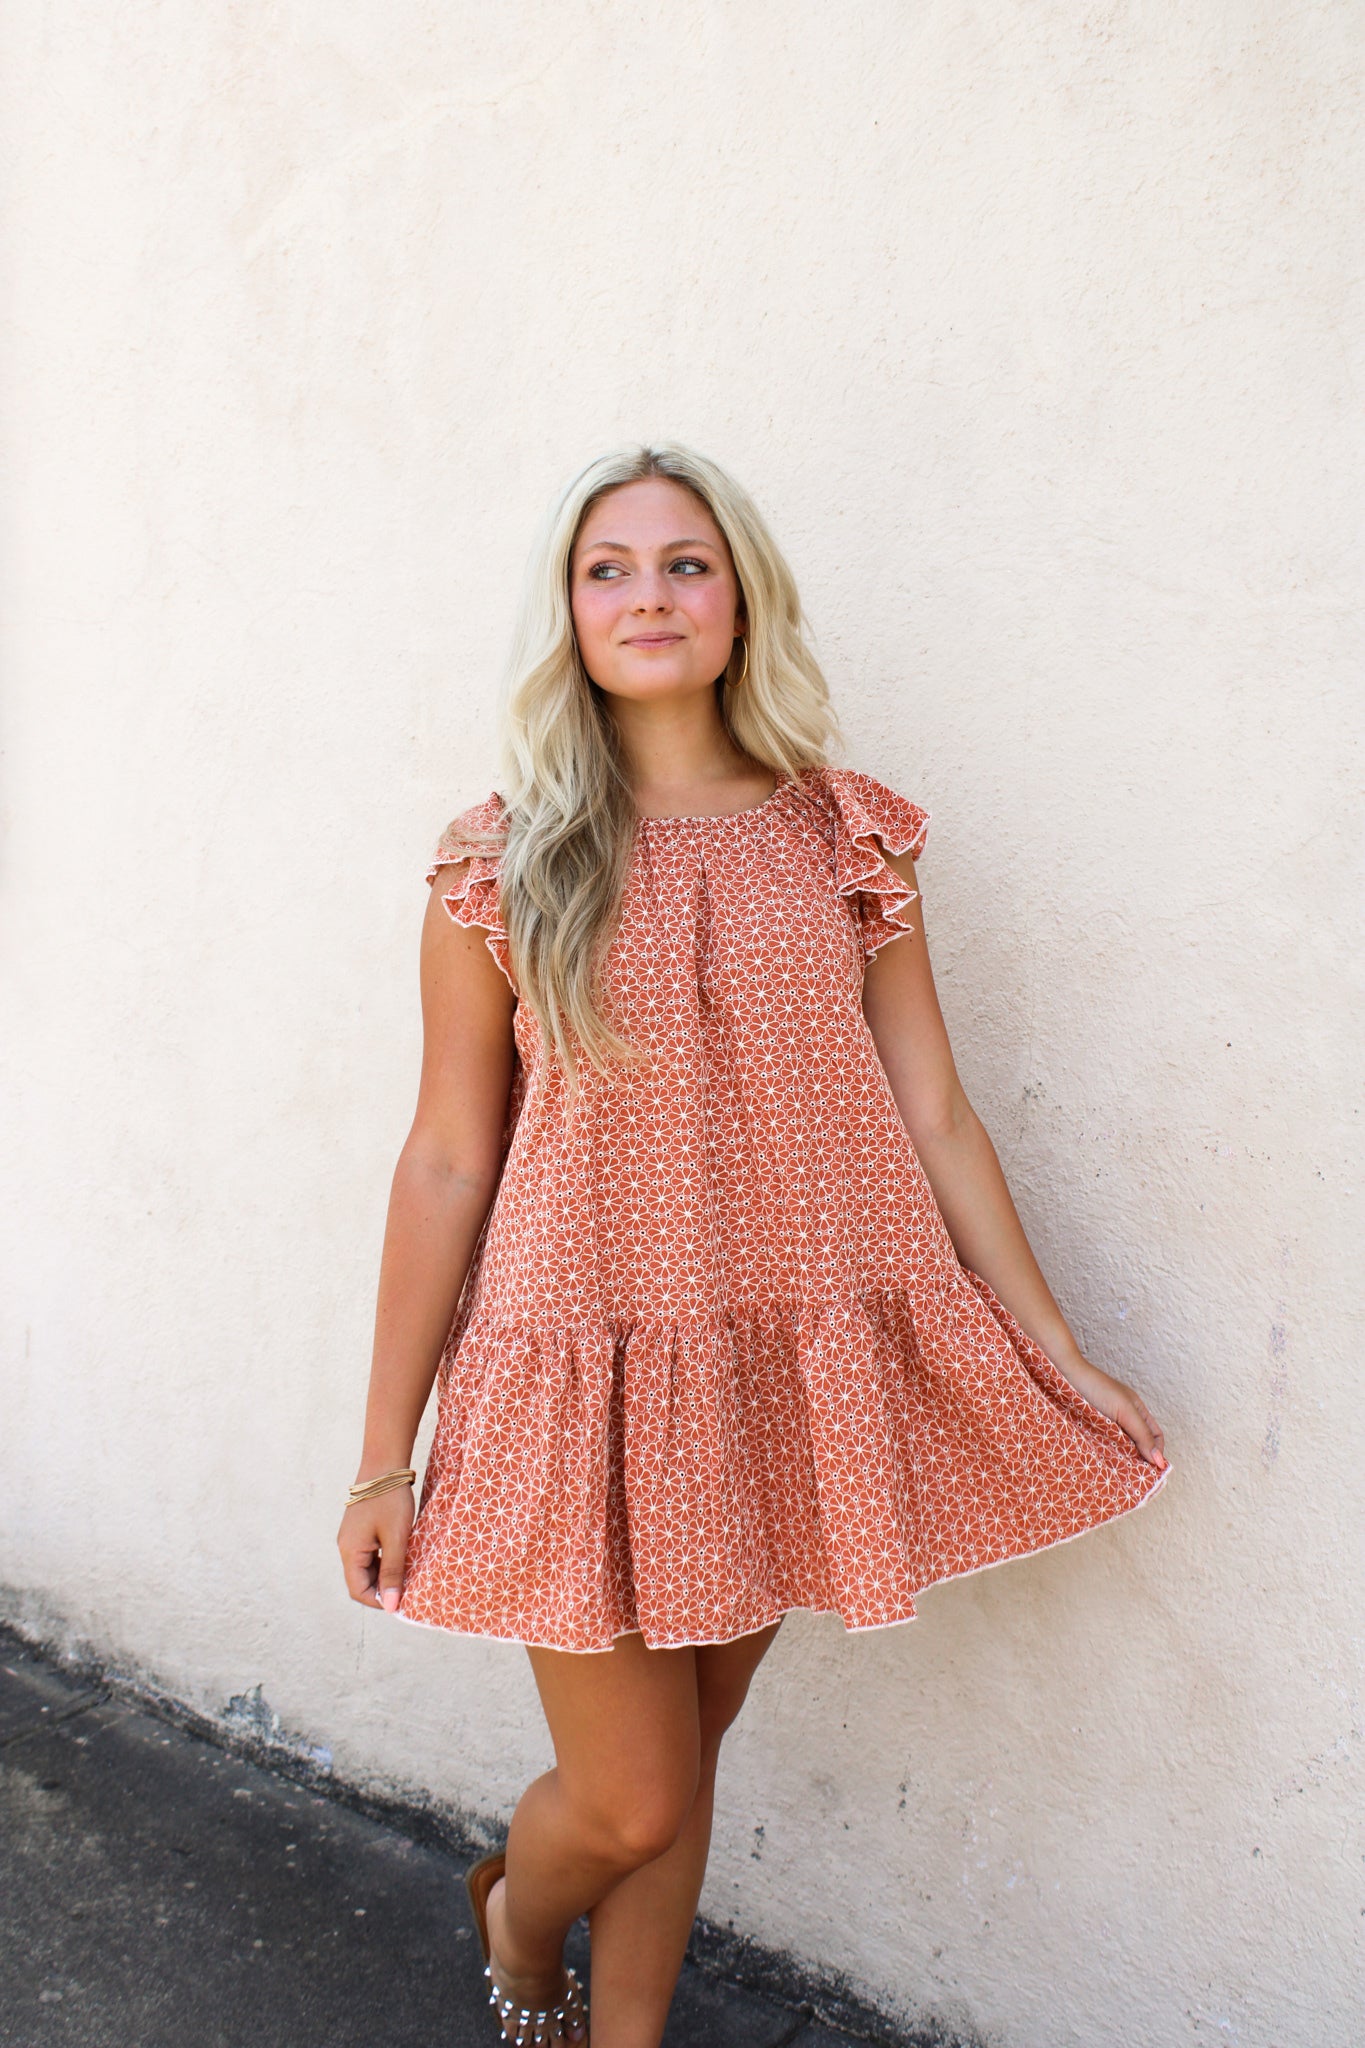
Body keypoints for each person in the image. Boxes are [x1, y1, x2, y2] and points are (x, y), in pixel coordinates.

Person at [337, 442, 1171, 2048]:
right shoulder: (502, 858)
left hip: (784, 1353)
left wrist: (1048, 1342)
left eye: (684, 563)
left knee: (689, 1758)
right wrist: (386, 1455)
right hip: (582, 1364)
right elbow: (447, 1155)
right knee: (631, 1799)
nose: (648, 594)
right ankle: (518, 1915)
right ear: (567, 614)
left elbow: (932, 1110)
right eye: (608, 569)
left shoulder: (847, 835)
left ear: (741, 601)